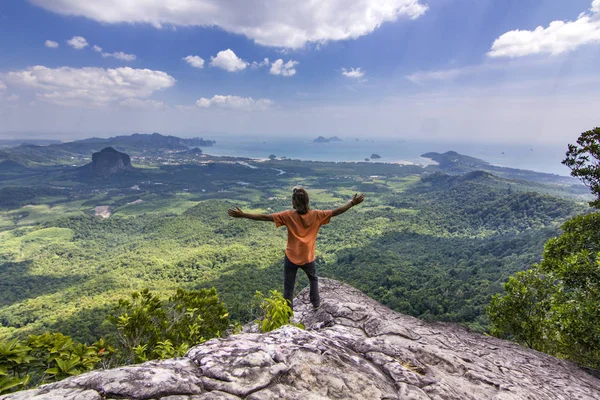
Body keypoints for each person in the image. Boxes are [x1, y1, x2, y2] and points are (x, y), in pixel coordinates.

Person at [227, 188, 365, 310]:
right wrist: (352, 203)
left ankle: (287, 314)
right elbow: (336, 212)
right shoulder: (317, 215)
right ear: (307, 201)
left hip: (291, 257)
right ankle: (316, 304)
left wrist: (243, 215)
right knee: (313, 279)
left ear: (294, 203)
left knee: (288, 286)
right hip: (307, 257)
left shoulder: (288, 216)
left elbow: (265, 217)